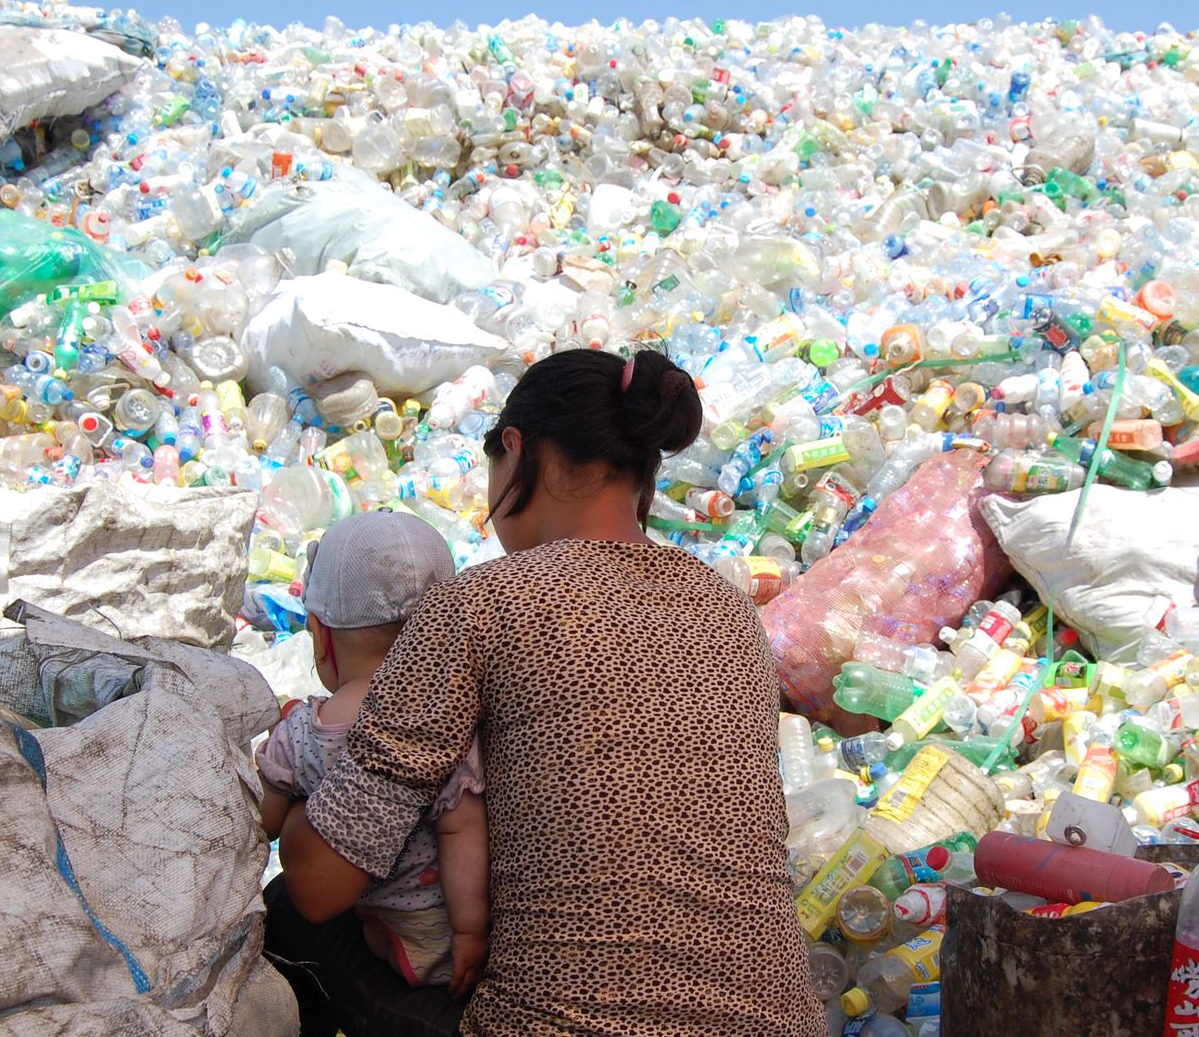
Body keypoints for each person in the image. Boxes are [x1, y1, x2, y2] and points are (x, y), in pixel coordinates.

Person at [272, 348, 825, 1036]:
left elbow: (322, 885)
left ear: (516, 449)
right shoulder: (729, 610)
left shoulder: (485, 602)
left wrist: (297, 775)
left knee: (287, 911)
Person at [257, 510, 490, 997]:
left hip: (376, 920)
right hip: (439, 933)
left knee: (283, 906)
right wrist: (469, 931)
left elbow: (262, 821)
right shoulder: (456, 722)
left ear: (321, 636)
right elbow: (462, 828)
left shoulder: (302, 731)